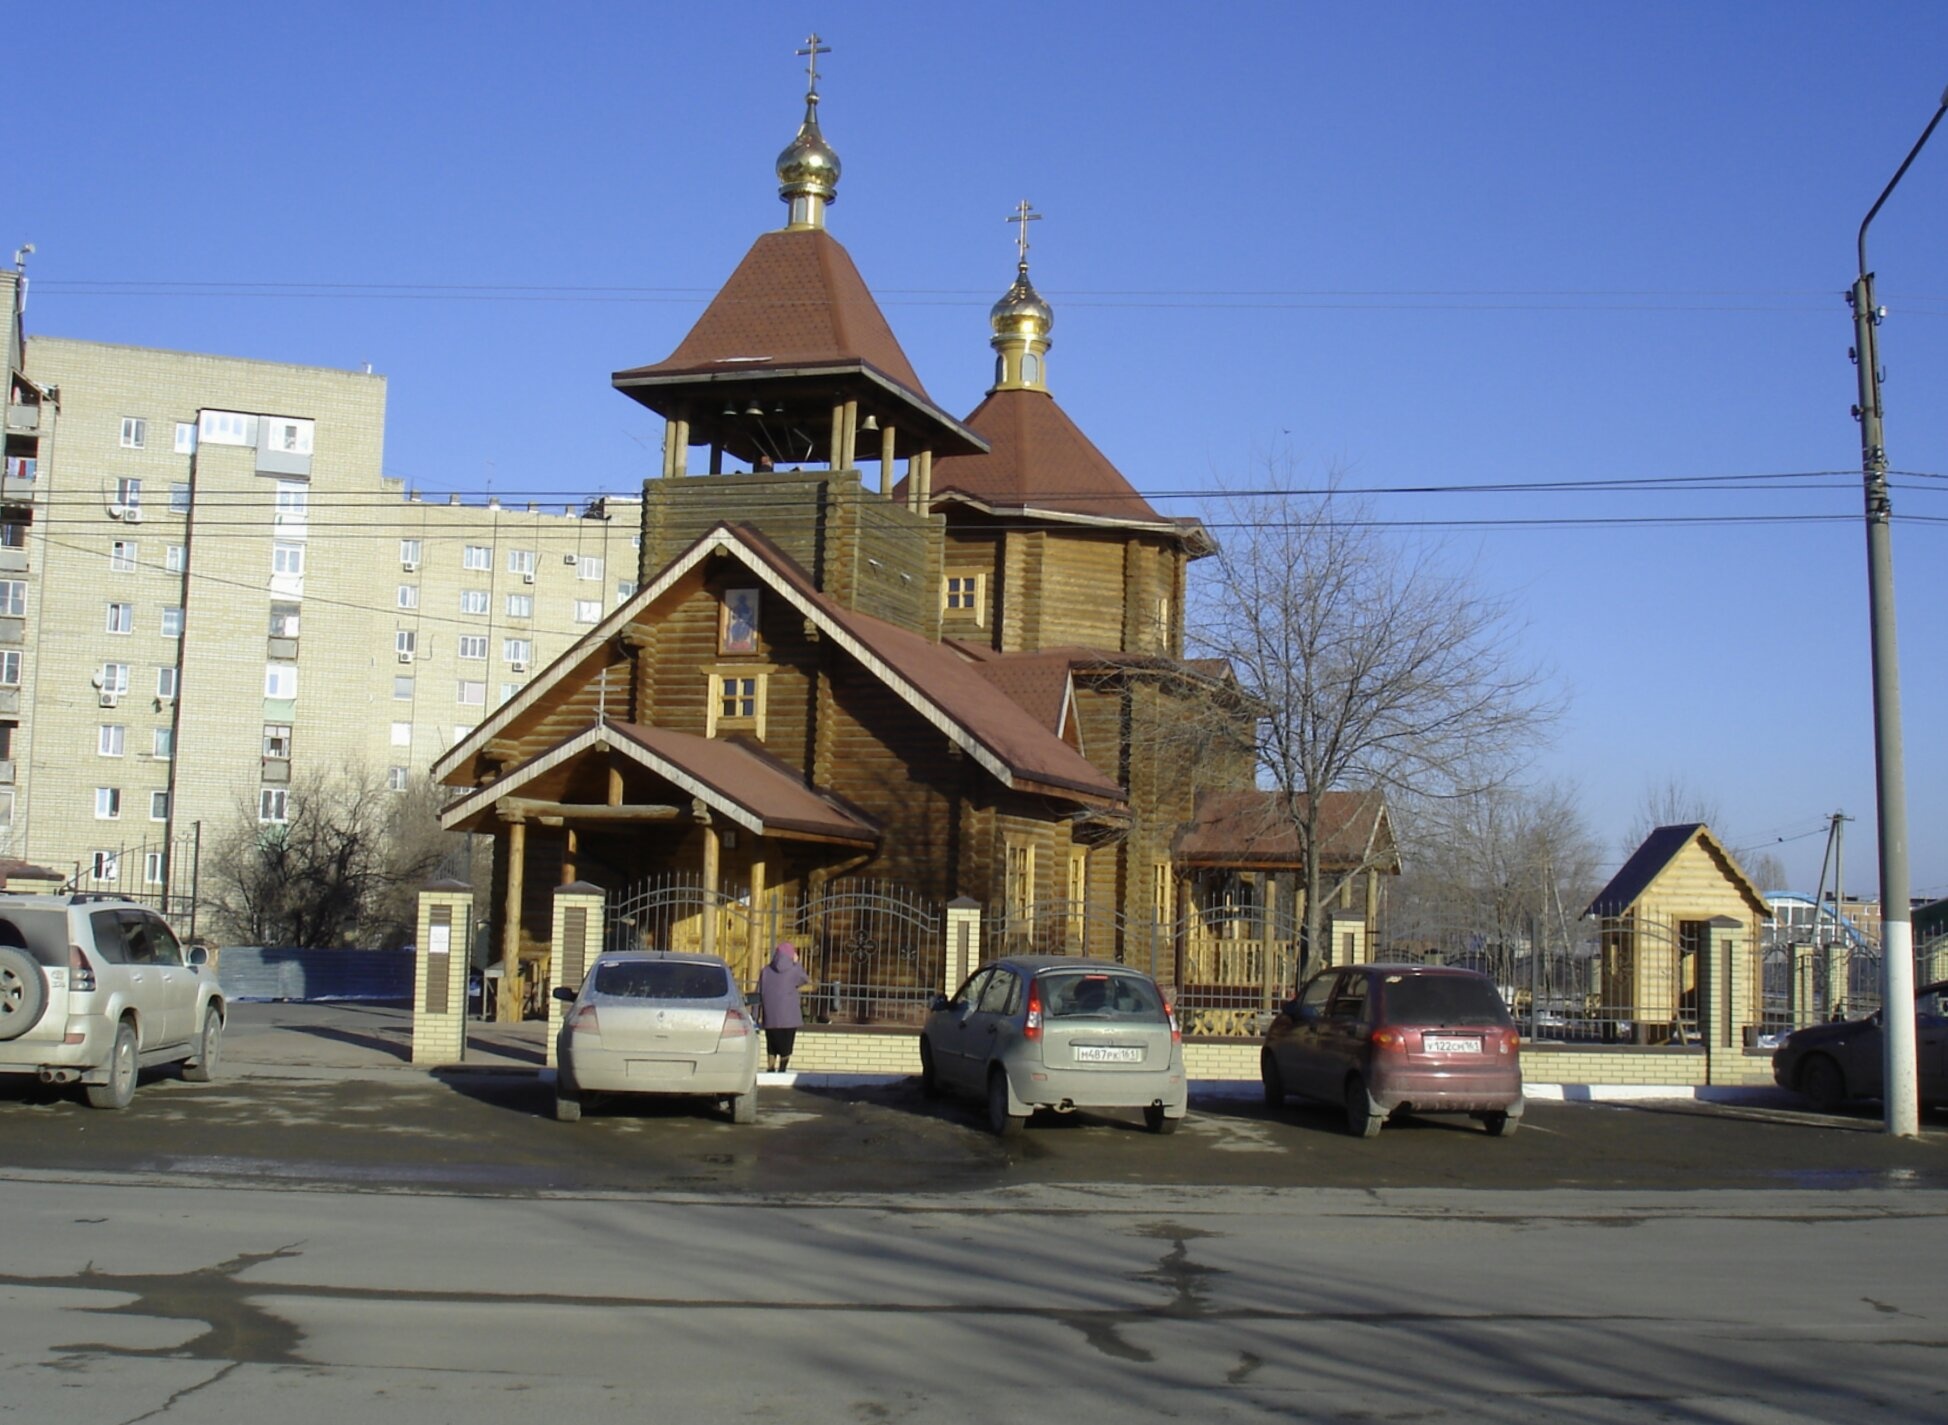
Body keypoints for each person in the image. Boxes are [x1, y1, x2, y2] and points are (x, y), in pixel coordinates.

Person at [758, 940, 813, 1073]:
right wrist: (797, 963)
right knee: (786, 1045)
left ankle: (770, 1067)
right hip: (789, 1017)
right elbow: (804, 979)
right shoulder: (793, 970)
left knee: (771, 1044)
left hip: (770, 1016)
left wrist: (755, 1015)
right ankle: (782, 1068)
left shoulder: (766, 971)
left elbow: (759, 992)